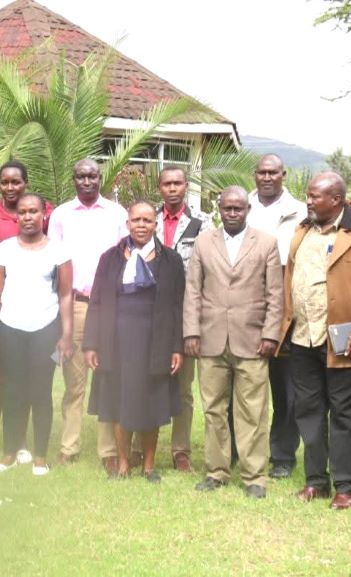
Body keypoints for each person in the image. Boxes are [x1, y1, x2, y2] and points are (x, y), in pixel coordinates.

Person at [280, 172, 351, 510]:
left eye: (315, 196)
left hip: (344, 340)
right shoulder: (303, 230)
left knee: (344, 414)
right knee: (308, 411)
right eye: (309, 196)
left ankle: (345, 486)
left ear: (337, 200)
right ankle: (316, 481)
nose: (309, 201)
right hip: (302, 337)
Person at [184, 186, 283, 498]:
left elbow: (275, 294)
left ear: (247, 210)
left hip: (252, 339)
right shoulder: (203, 242)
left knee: (253, 410)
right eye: (227, 208)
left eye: (238, 208)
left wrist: (270, 334)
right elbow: (193, 291)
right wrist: (191, 331)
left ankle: (255, 477)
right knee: (213, 409)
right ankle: (216, 471)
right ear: (219, 208)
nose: (232, 213)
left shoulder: (266, 243)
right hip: (210, 338)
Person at [83, 201, 185, 483]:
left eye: (147, 220)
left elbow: (177, 306)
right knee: (119, 400)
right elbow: (97, 301)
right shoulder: (110, 258)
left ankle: (150, 465)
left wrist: (177, 346)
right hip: (116, 340)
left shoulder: (171, 260)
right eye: (136, 220)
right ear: (127, 223)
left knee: (152, 401)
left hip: (156, 341)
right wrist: (91, 343)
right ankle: (124, 463)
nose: (141, 225)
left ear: (155, 224)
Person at [47, 158, 128, 474]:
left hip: (110, 306)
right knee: (73, 381)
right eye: (80, 176)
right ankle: (69, 446)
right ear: (73, 179)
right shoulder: (61, 215)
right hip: (75, 305)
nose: (87, 181)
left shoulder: (117, 214)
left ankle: (108, 450)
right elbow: (54, 261)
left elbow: (127, 256)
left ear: (100, 177)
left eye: (92, 176)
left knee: (107, 379)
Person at [0, 193, 73, 476]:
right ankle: (9, 453)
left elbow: (66, 295)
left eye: (33, 211)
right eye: (22, 212)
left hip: (46, 328)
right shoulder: (4, 250)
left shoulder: (58, 251)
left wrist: (67, 334)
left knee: (41, 392)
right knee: (12, 391)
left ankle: (40, 456)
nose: (28, 216)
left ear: (43, 214)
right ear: (16, 216)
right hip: (9, 328)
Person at [129, 165, 210, 473]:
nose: (173, 188)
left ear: (185, 186)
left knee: (183, 388)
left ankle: (181, 450)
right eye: (167, 184)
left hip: (186, 314)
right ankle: (137, 447)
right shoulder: (148, 219)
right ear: (160, 187)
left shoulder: (202, 224)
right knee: (143, 379)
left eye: (178, 183)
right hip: (147, 314)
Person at [0, 160, 54, 462]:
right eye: (5, 182)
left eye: (16, 182)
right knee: (0, 379)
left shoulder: (41, 212)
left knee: (31, 382)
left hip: (33, 310)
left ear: (26, 183)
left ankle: (21, 443)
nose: (10, 187)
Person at [248, 153, 306, 479]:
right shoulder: (240, 206)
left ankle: (282, 455)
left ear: (283, 174)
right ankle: (240, 450)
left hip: (286, 308)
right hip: (246, 306)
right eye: (261, 172)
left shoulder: (301, 212)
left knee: (287, 388)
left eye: (273, 172)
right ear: (254, 175)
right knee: (244, 385)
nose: (267, 177)